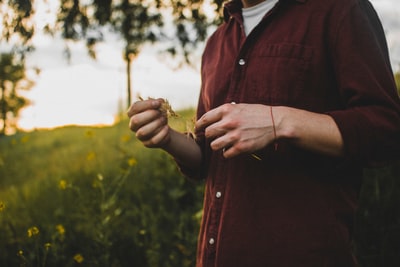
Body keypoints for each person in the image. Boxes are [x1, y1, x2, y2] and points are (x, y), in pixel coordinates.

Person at [127, 0, 400, 266]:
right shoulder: (216, 43)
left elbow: (386, 129)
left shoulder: (340, 9)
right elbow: (208, 158)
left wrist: (279, 121)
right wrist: (168, 139)